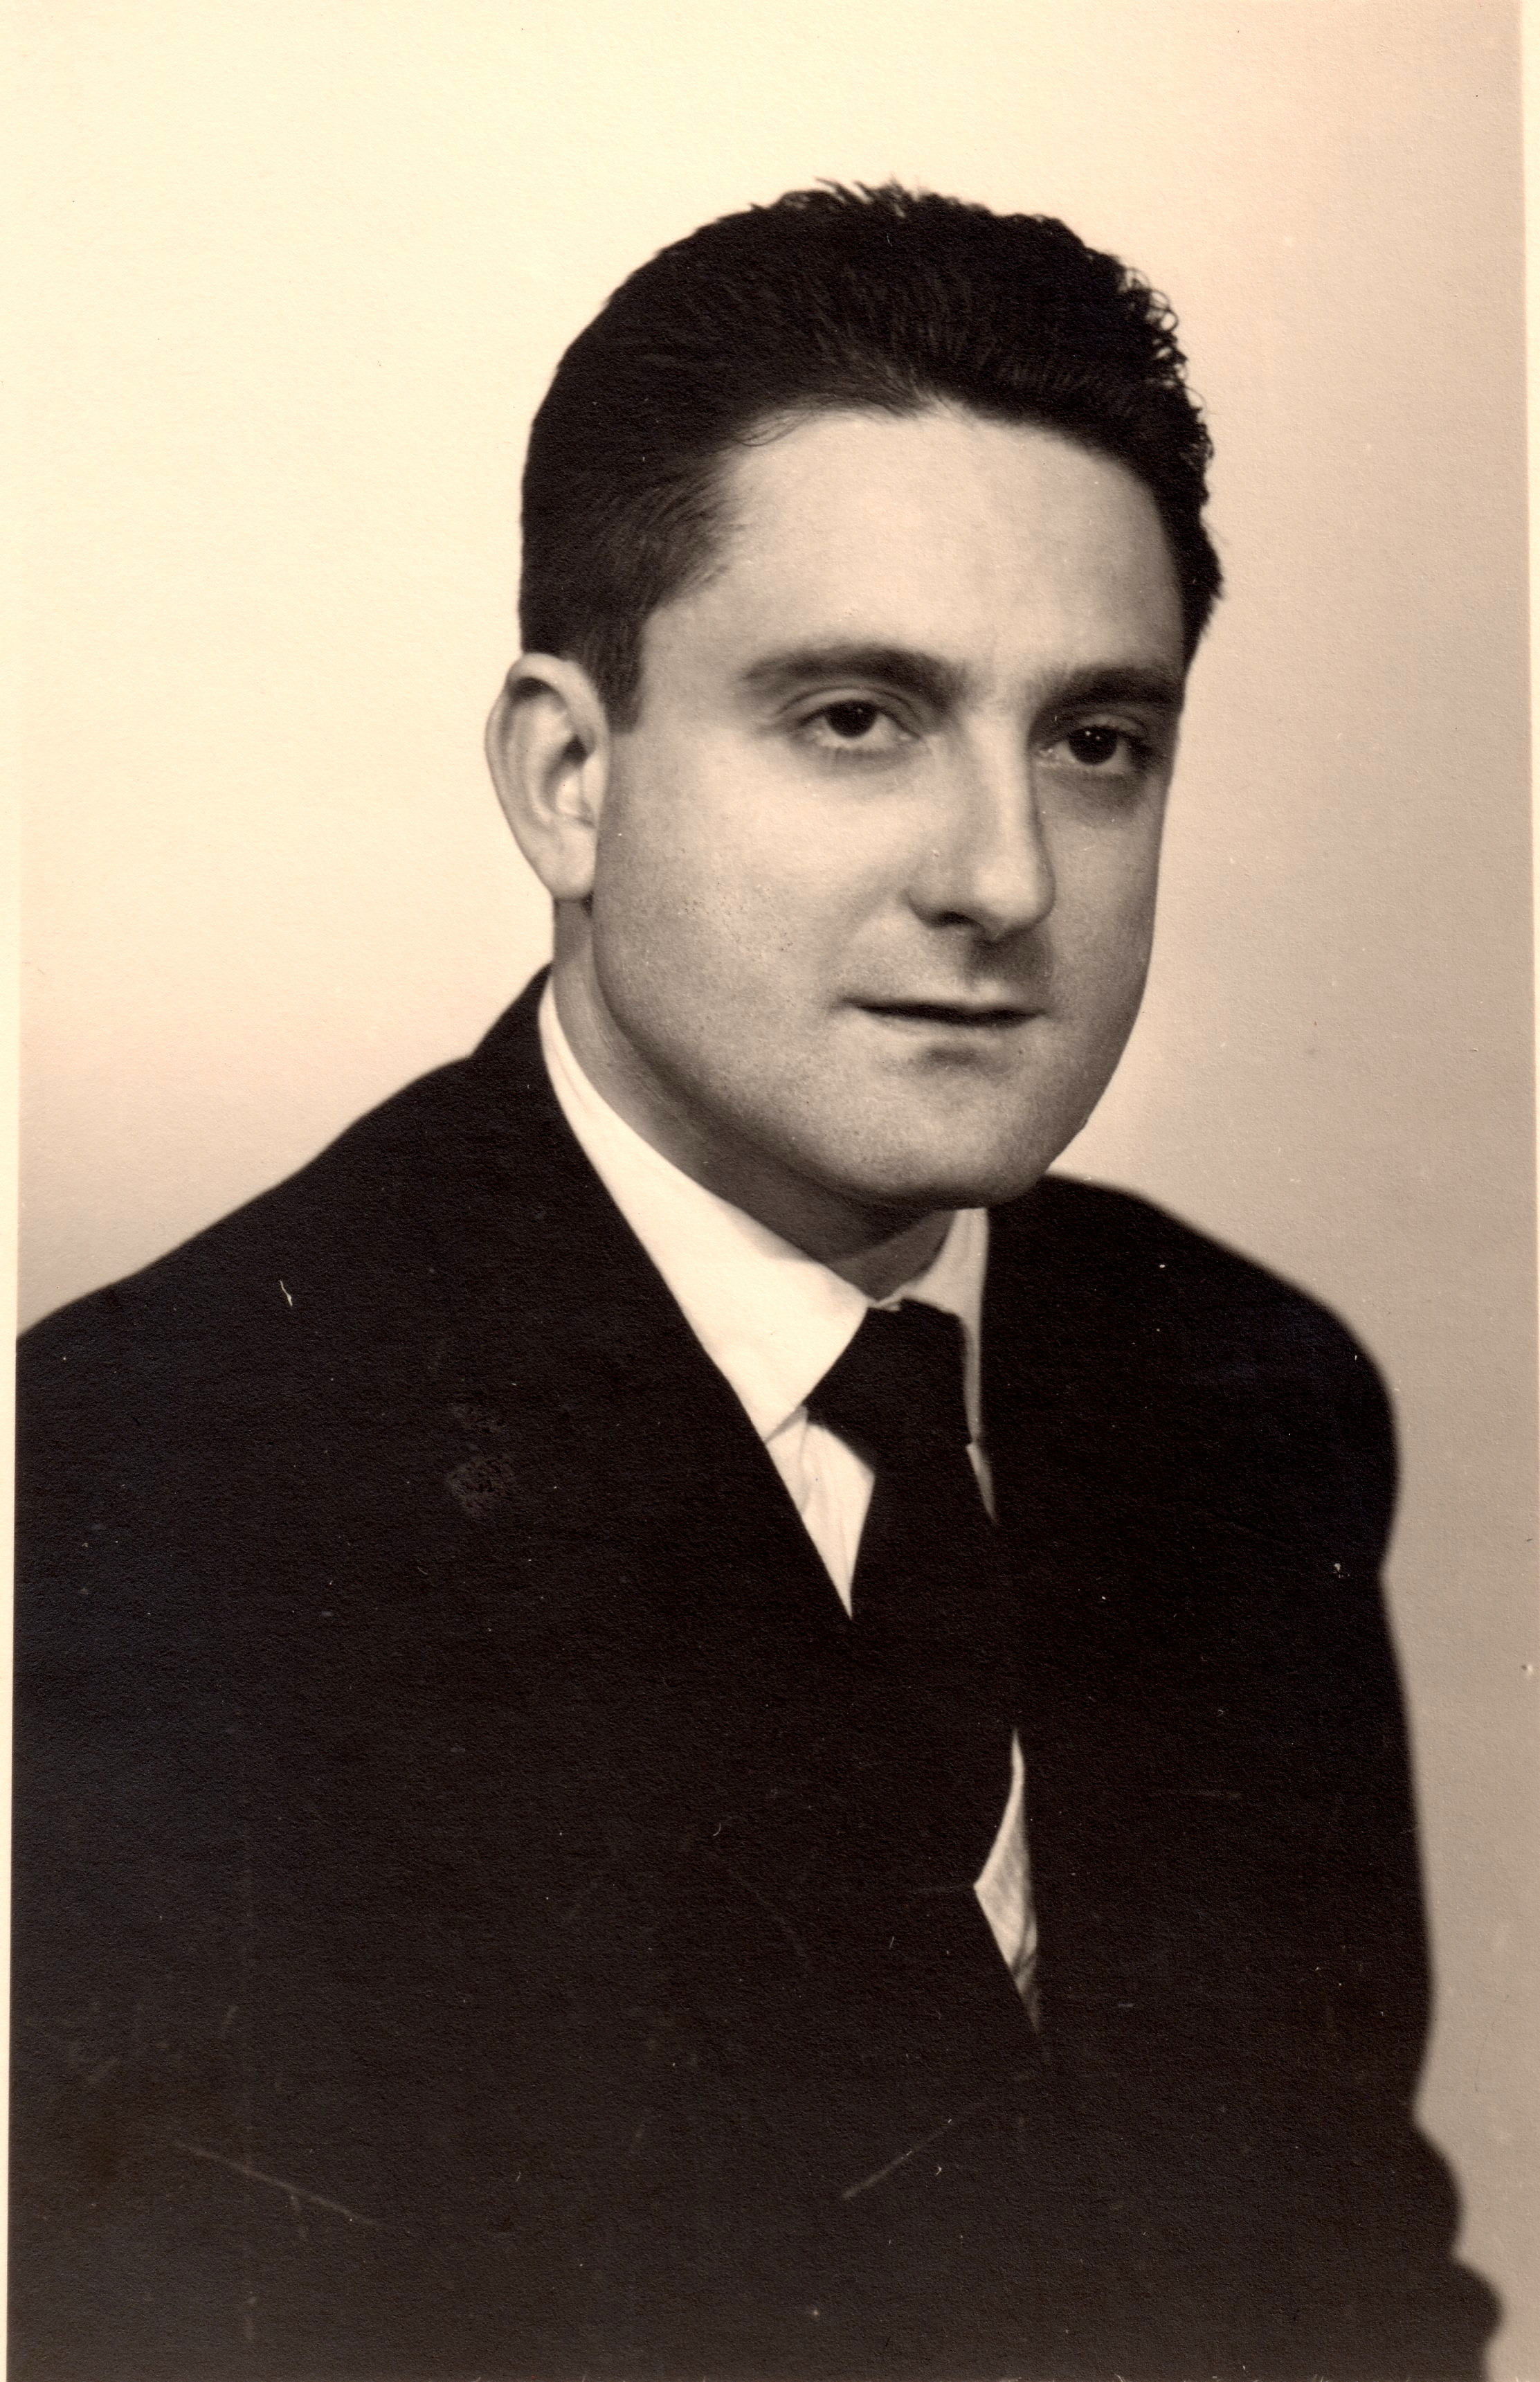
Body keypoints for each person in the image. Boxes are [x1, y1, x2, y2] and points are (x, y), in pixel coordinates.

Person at [12, 183, 1498, 2379]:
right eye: (855, 716)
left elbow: (1353, 2279)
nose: (1003, 877)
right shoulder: (145, 1482)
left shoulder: (1245, 1391)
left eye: (1095, 740)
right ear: (567, 778)